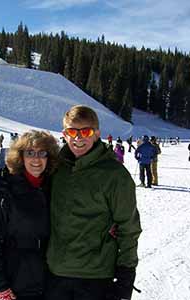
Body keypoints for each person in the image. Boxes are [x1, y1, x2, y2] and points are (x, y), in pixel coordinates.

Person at [45, 105, 141, 300]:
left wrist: (125, 277)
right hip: (55, 274)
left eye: (86, 131)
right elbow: (27, 175)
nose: (78, 138)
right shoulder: (56, 167)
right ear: (64, 134)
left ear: (97, 134)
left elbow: (128, 228)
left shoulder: (115, 176)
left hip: (95, 278)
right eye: (72, 131)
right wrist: (3, 178)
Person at [0, 130, 59, 300]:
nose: (36, 159)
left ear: (49, 157)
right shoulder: (5, 189)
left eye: (42, 153)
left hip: (52, 282)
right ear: (20, 157)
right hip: (17, 284)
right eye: (30, 153)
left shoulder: (55, 187)